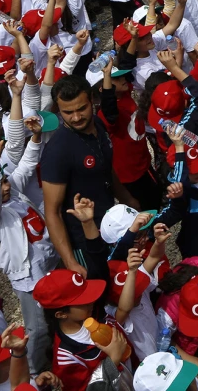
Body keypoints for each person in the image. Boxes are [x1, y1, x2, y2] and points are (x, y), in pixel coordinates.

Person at [40, 74, 139, 277]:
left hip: (112, 226)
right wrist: (70, 262)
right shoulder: (57, 151)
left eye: (81, 109)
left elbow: (106, 168)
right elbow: (52, 212)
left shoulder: (97, 124)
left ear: (92, 100)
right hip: (84, 242)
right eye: (67, 112)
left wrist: (129, 200)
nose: (76, 117)